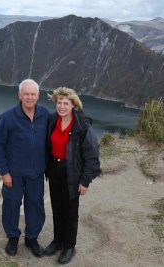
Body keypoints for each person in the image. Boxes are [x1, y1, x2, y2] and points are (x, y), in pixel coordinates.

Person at [44, 87, 100, 264]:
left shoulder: (82, 126)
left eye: (65, 103)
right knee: (57, 207)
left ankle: (69, 247)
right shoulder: (52, 120)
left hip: (72, 172)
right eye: (59, 103)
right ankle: (58, 241)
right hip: (54, 168)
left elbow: (92, 156)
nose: (61, 106)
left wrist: (85, 181)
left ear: (73, 105)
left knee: (70, 211)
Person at [0, 79, 49, 257]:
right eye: (26, 94)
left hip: (36, 173)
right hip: (14, 174)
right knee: (11, 205)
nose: (30, 97)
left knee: (35, 205)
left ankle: (32, 238)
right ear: (19, 95)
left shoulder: (45, 115)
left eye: (33, 94)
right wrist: (4, 172)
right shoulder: (8, 117)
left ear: (38, 96)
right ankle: (13, 238)